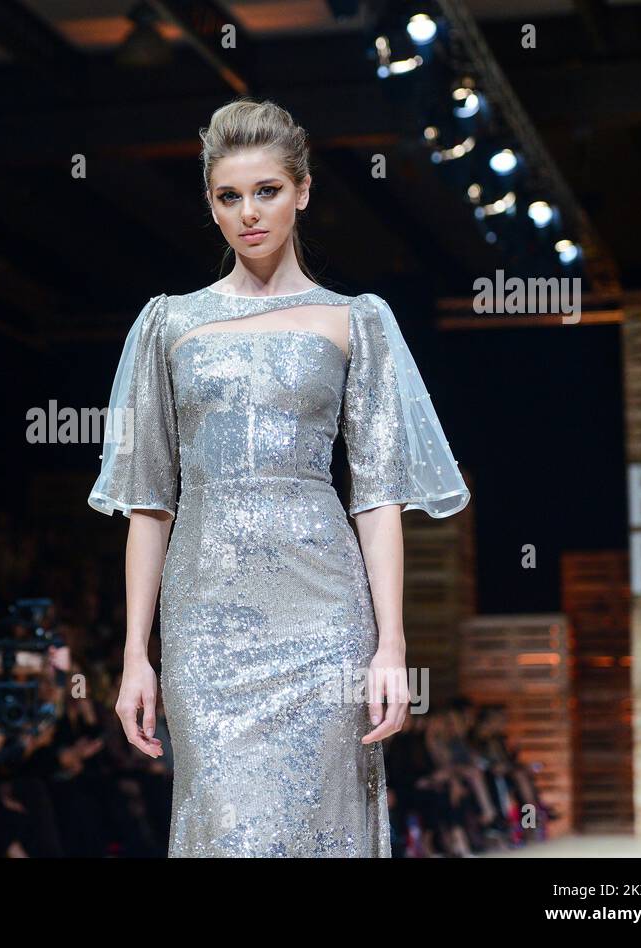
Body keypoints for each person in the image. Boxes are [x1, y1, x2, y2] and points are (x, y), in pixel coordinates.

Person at [88, 98, 470, 857]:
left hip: (324, 614)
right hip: (206, 621)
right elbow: (148, 501)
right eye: (229, 196)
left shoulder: (355, 320)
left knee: (319, 826)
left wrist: (391, 643)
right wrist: (137, 652)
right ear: (211, 204)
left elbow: (379, 495)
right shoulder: (168, 323)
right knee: (227, 829)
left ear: (302, 190)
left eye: (266, 191)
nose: (249, 213)